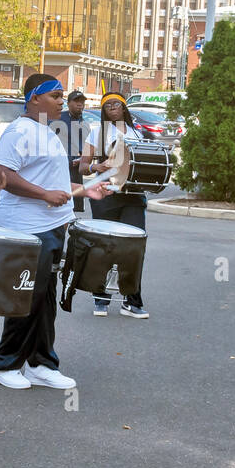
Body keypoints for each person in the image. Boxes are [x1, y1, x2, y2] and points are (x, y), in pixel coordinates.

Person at [0, 75, 109, 391]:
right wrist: (43, 196)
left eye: (61, 96)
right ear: (34, 98)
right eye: (55, 95)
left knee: (45, 298)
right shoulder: (18, 131)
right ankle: (3, 364)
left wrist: (84, 190)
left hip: (51, 226)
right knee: (25, 297)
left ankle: (41, 363)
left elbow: (51, 183)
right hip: (26, 229)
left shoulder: (48, 132)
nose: (60, 101)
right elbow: (2, 176)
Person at [79, 92, 149, 318]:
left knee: (133, 248)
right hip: (106, 195)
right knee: (105, 247)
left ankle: (132, 301)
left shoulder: (136, 132)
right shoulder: (97, 132)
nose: (112, 107)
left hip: (133, 196)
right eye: (107, 105)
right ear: (103, 110)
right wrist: (95, 168)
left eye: (116, 104)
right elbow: (82, 166)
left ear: (124, 107)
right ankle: (101, 298)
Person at [52, 89, 93, 213]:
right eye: (76, 101)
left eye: (82, 102)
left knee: (73, 209)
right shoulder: (58, 119)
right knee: (59, 205)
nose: (80, 104)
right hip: (59, 169)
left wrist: (84, 158)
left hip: (76, 170)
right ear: (68, 103)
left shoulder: (84, 124)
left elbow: (86, 149)